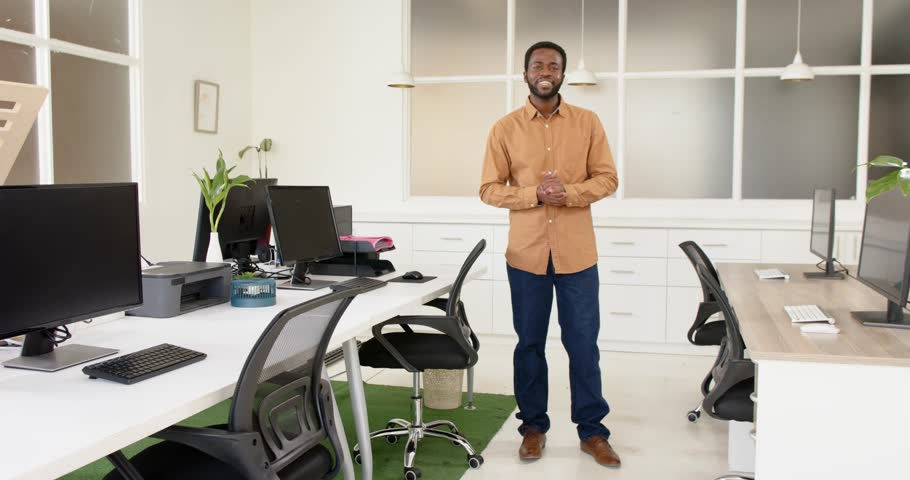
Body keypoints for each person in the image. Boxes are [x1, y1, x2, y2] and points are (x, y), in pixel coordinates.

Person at [479, 41, 620, 467]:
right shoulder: (504, 129)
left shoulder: (588, 122)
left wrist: (570, 193)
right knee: (530, 345)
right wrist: (534, 195)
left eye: (554, 66)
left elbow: (608, 178)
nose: (546, 71)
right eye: (538, 65)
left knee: (583, 346)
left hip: (578, 256)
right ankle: (533, 429)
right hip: (526, 257)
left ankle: (593, 433)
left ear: (562, 74)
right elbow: (488, 189)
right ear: (525, 74)